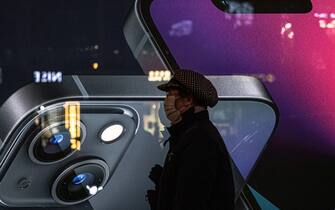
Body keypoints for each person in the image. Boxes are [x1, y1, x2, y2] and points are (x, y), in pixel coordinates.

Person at [146, 69, 235, 210]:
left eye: (170, 95)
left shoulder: (200, 140)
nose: (166, 101)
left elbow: (191, 201)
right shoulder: (190, 134)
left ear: (188, 100)